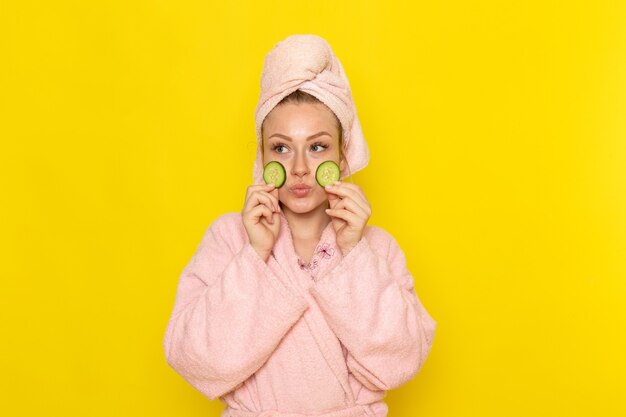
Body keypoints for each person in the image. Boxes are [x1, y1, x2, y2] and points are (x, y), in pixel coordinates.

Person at [163, 34, 437, 417]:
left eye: (318, 146)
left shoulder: (376, 247)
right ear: (262, 157)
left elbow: (401, 361)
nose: (301, 169)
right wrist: (255, 255)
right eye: (281, 148)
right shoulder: (228, 240)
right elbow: (194, 360)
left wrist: (354, 254)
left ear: (343, 156)